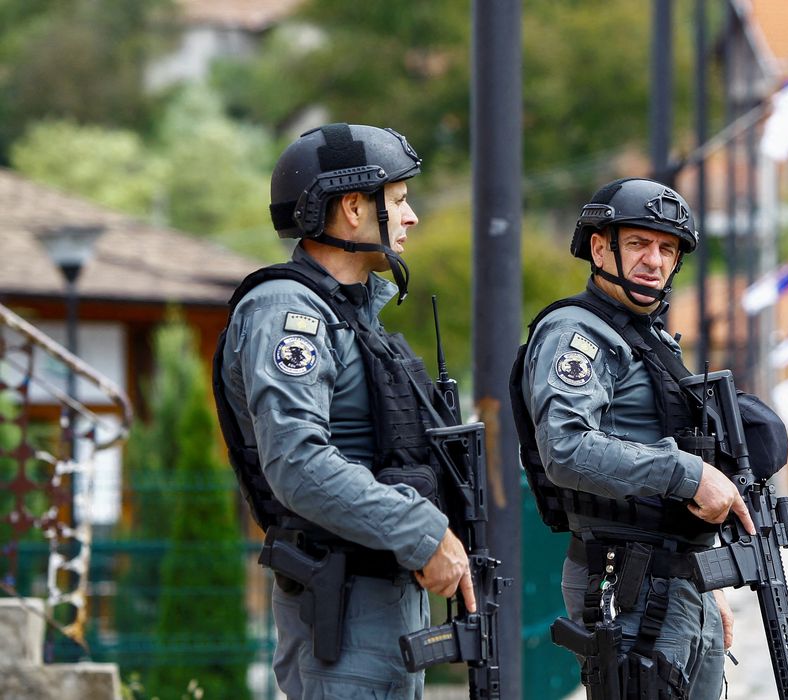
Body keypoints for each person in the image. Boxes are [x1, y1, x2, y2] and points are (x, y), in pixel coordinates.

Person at [212, 123, 475, 700]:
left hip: (382, 602)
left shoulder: (350, 316)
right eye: (399, 201)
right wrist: (424, 533)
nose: (411, 218)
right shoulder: (288, 313)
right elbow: (298, 464)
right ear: (353, 208)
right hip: (342, 610)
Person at [511, 177, 759, 699]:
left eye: (667, 249)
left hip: (676, 578)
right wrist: (689, 476)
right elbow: (567, 448)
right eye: (638, 244)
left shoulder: (646, 337)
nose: (654, 260)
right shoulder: (579, 334)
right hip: (625, 580)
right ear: (600, 248)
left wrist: (700, 574)